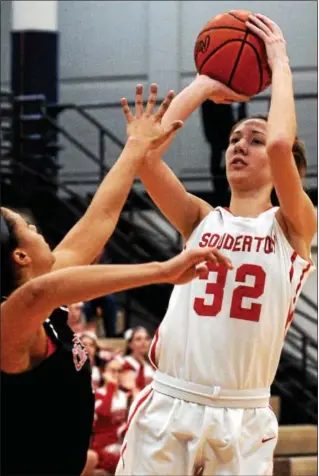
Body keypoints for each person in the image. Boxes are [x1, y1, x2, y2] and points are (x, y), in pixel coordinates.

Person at [116, 14, 316, 476]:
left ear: (289, 171)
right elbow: (143, 154)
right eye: (233, 139)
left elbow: (284, 143)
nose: (239, 145)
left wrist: (280, 63)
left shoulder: (293, 227)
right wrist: (205, 83)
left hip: (243, 416)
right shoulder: (199, 218)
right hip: (170, 401)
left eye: (254, 139)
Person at [0, 84, 232, 476]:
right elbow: (44, 291)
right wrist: (162, 270)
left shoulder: (45, 287)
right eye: (27, 227)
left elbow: (101, 218)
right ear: (19, 256)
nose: (37, 226)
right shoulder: (10, 322)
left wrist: (135, 147)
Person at [90, 357, 129, 475]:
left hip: (120, 444)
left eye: (119, 371)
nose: (116, 374)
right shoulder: (97, 394)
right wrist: (111, 386)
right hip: (102, 446)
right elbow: (104, 413)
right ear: (104, 373)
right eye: (112, 371)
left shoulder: (124, 395)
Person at [121, 326, 154, 398]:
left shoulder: (151, 364)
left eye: (147, 338)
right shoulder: (124, 362)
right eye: (138, 339)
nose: (144, 342)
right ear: (129, 344)